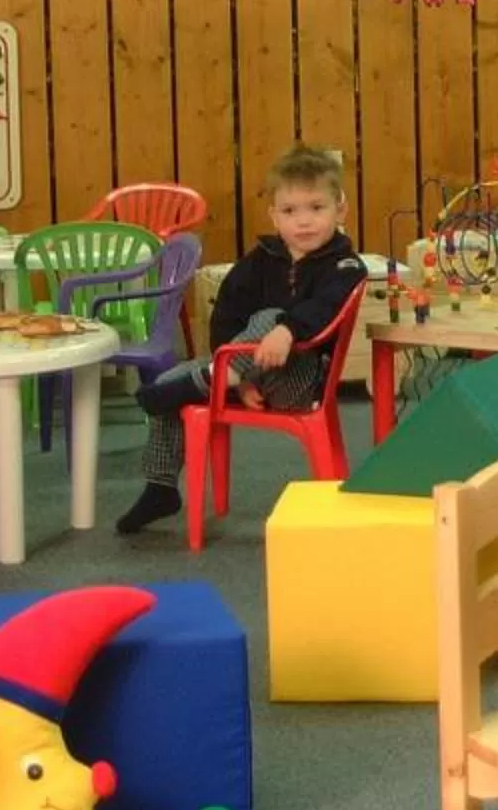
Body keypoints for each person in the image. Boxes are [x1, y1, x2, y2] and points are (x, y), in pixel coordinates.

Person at [113, 144, 367, 537]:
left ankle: (217, 376)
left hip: (299, 379)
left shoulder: (345, 265)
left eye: (316, 208)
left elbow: (324, 307)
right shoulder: (262, 258)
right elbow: (227, 313)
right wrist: (243, 376)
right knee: (168, 385)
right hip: (246, 374)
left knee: (269, 318)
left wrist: (286, 329)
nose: (304, 221)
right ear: (274, 216)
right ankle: (160, 487)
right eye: (290, 211)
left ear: (341, 210)